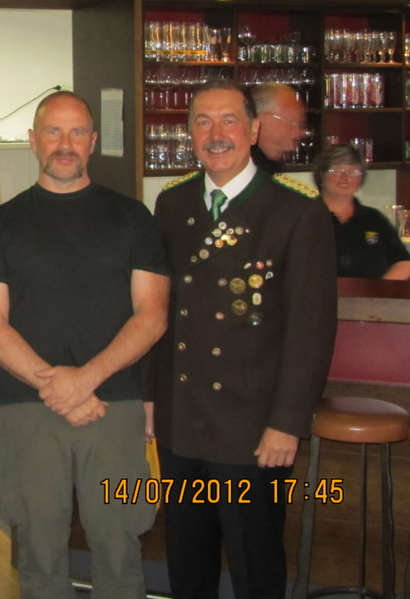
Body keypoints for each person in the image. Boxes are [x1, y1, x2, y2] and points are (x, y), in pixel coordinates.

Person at [0, 91, 169, 598]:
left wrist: (84, 381)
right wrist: (56, 387)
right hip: (29, 408)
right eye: (53, 132)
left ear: (93, 142)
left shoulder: (134, 218)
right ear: (33, 140)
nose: (65, 143)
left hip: (113, 407)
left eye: (77, 132)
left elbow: (152, 315)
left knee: (120, 549)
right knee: (39, 553)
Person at [145, 80, 336, 599]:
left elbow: (311, 331)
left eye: (229, 120)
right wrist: (150, 397)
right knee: (187, 563)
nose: (216, 133)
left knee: (255, 565)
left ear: (253, 130)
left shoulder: (296, 210)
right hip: (183, 417)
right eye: (203, 122)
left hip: (251, 427)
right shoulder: (173, 202)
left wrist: (287, 424)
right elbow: (160, 310)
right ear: (189, 134)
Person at [314, 143, 410, 279]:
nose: (344, 178)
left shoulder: (375, 219)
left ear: (361, 178)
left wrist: (378, 289)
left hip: (371, 293)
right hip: (319, 293)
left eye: (353, 172)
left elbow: (404, 262)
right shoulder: (306, 218)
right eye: (337, 170)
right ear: (321, 175)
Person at [250, 81, 306, 174]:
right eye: (292, 123)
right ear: (264, 120)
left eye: (300, 125)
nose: (298, 133)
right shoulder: (243, 168)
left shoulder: (270, 165)